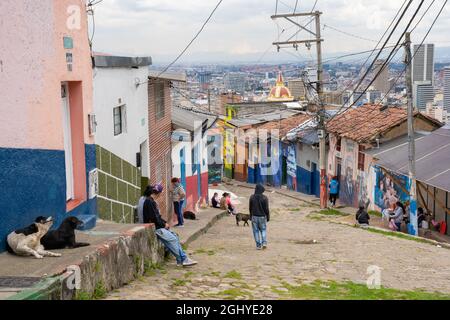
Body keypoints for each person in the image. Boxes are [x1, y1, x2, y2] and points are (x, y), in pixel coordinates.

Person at [143, 184, 197, 267]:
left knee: (175, 236)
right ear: (159, 193)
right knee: (173, 239)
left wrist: (165, 223)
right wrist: (163, 224)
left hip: (158, 226)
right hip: (156, 228)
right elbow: (154, 218)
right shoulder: (149, 202)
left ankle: (181, 260)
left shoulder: (151, 201)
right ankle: (183, 259)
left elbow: (157, 217)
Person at [249, 184, 270, 250]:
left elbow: (250, 208)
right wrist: (268, 216)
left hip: (254, 216)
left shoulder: (252, 197)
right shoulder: (265, 198)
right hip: (262, 217)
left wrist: (250, 216)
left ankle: (258, 245)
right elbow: (266, 209)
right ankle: (264, 243)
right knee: (263, 230)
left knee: (256, 231)